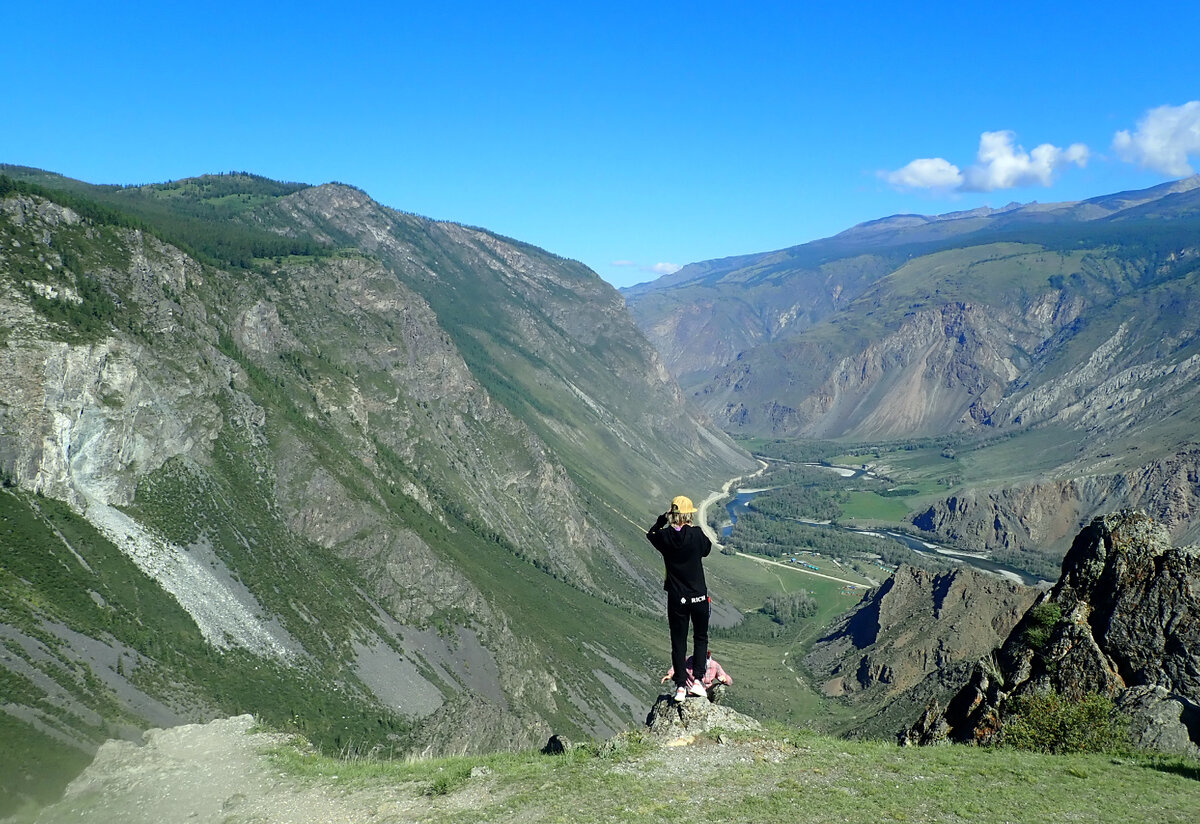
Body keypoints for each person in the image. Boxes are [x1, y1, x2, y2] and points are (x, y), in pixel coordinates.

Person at [646, 495, 712, 702]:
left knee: (678, 642)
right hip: (699, 597)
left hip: (677, 599)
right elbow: (707, 549)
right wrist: (692, 527)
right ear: (688, 515)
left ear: (672, 514)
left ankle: (681, 686)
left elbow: (651, 534)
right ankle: (699, 682)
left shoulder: (664, 537)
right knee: (700, 638)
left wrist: (661, 520)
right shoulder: (697, 534)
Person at [660, 650, 732, 701]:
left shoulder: (714, 665)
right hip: (689, 689)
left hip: (706, 691)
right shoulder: (688, 660)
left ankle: (712, 704)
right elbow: (677, 666)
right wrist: (669, 674)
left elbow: (729, 681)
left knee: (720, 689)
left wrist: (725, 680)